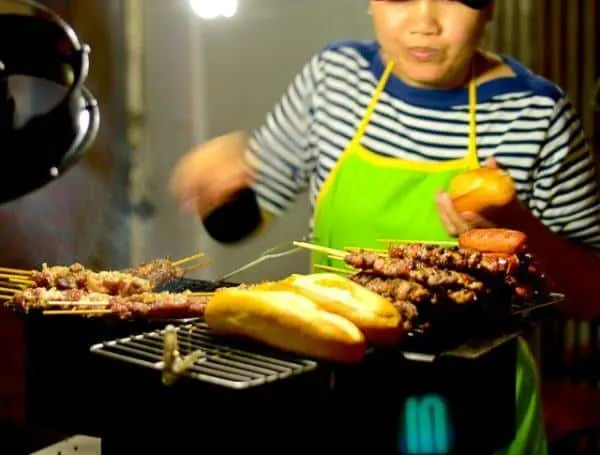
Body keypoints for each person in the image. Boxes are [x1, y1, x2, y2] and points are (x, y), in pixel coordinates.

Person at [169, 0, 600, 453]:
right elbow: (244, 215)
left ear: (489, 7)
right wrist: (219, 190)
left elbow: (591, 295)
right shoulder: (335, 78)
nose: (424, 23)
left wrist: (515, 224)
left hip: (483, 408)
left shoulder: (535, 113)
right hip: (341, 399)